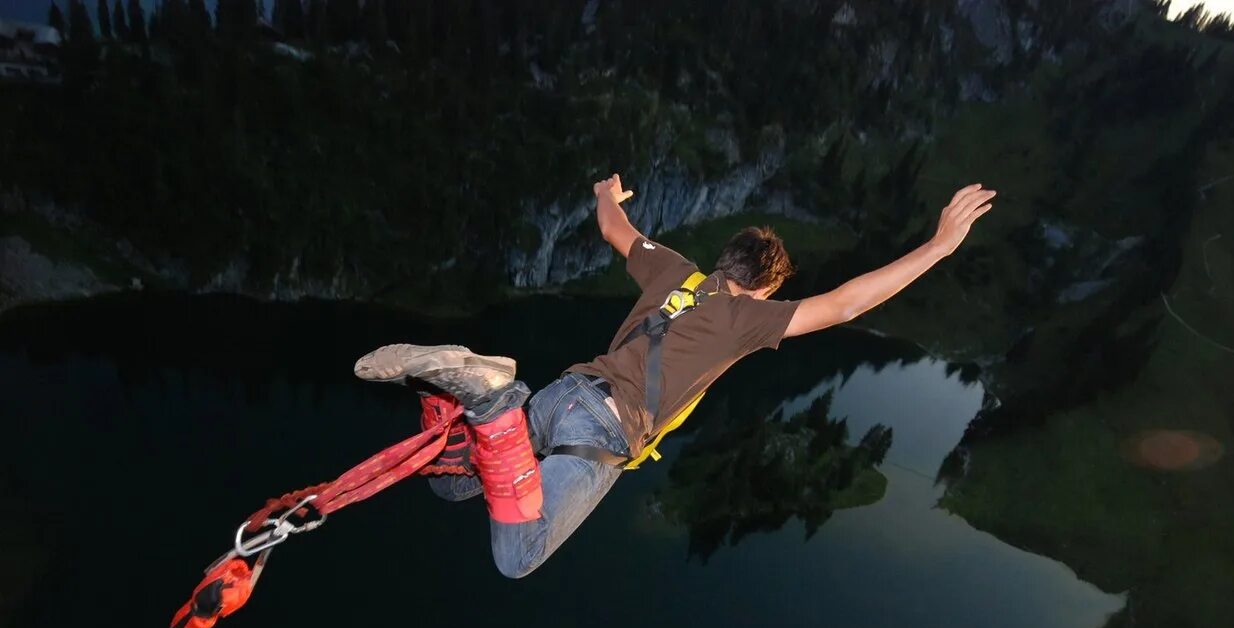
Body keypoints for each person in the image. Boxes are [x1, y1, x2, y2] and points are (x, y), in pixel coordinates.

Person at [355, 174, 996, 578]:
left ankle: (484, 403)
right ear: (763, 287)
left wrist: (608, 192)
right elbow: (846, 303)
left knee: (451, 487)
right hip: (602, 431)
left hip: (564, 393)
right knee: (517, 558)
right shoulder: (747, 318)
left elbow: (612, 225)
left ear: (721, 263)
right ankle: (493, 405)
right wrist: (939, 245)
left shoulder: (673, 271)